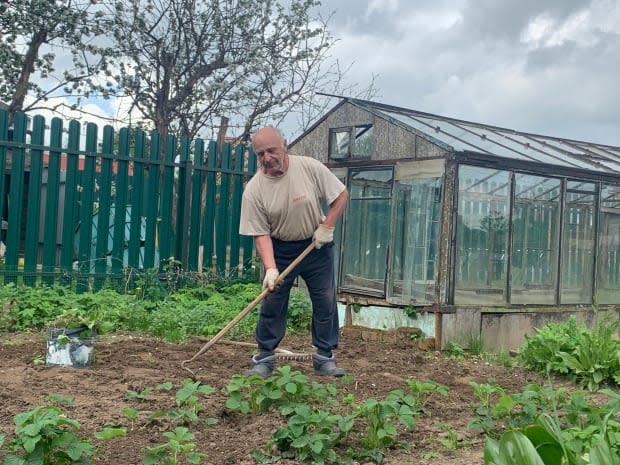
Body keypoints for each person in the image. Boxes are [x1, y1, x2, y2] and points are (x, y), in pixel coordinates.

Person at [239, 126, 349, 378]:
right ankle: (264, 357)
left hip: (316, 245)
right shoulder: (254, 190)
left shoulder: (309, 168)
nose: (267, 158)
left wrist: (327, 226)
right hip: (280, 249)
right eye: (260, 154)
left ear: (285, 146)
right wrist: (270, 268)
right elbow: (260, 233)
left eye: (271, 150)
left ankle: (324, 357)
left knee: (324, 301)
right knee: (273, 302)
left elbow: (341, 194)